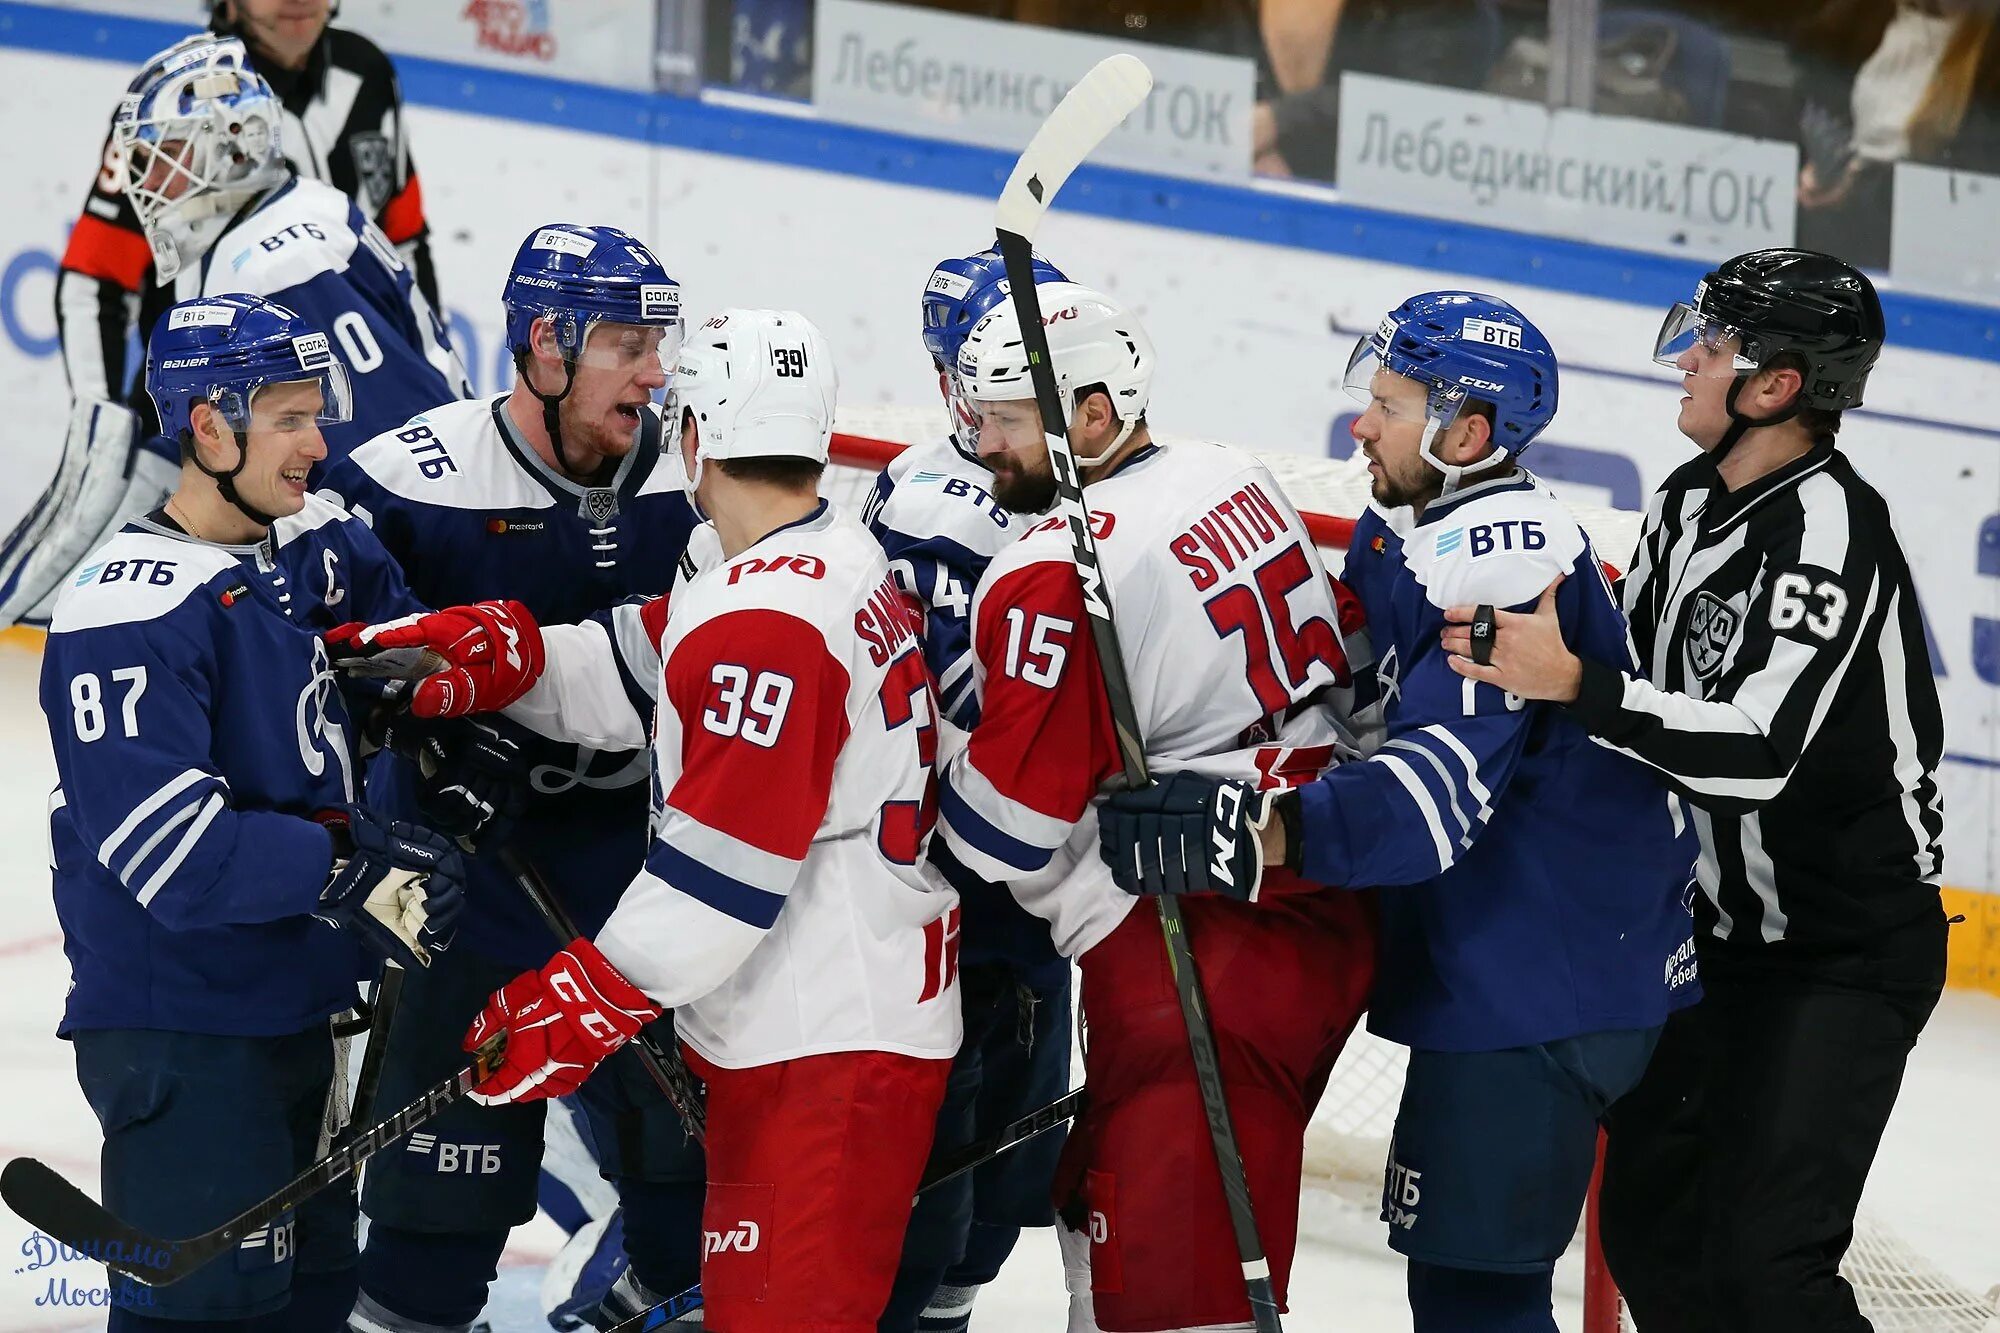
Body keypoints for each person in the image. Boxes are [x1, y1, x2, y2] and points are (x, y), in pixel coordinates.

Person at [336, 307, 964, 1333]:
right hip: (835, 1019)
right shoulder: (822, 558)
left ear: (698, 434)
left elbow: (721, 875)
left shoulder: (765, 618)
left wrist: (581, 999)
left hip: (822, 1049)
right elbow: (652, 662)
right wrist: (520, 658)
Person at [1099, 292, 1699, 1333]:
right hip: (1555, 957)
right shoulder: (1421, 522)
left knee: (1474, 1300)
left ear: (1465, 433)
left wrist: (1253, 830)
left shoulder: (1495, 567)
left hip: (1542, 985)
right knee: (1468, 1288)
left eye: (1386, 403)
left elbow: (1433, 798)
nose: (1359, 425)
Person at [1441, 250, 1948, 1332]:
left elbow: (1758, 750)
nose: (1684, 360)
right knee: (1651, 1233)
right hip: (1709, 937)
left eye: (1709, 345)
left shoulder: (1828, 534)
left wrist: (1574, 682)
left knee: (1766, 1268)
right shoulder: (1685, 502)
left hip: (1839, 952)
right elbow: (1639, 687)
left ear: (1773, 386)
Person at [933, 282, 1378, 1332]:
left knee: (1172, 1296)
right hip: (1309, 903)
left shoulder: (1056, 568)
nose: (977, 443)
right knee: (1113, 1213)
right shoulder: (1228, 477)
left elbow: (1000, 829)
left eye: (1001, 418)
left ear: (1092, 413)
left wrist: (917, 747)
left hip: (1196, 955)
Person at [38, 293, 467, 1333]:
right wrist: (348, 862)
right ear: (209, 426)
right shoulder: (123, 608)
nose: (320, 444)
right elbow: (172, 853)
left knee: (313, 1304)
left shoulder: (296, 547)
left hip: (294, 1016)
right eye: (288, 418)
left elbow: (389, 644)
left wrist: (415, 717)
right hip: (188, 1032)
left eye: (315, 412)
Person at [315, 222, 705, 1333]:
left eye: (658, 342)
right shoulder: (407, 478)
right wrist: (407, 742)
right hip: (464, 884)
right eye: (625, 342)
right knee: (429, 1230)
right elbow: (331, 666)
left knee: (685, 1205)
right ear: (545, 342)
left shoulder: (695, 469)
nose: (653, 370)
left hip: (642, 869)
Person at [3, 34, 468, 627]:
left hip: (420, 557)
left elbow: (377, 443)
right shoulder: (283, 214)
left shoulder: (276, 262)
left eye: (165, 151)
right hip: (418, 531)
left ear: (232, 147)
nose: (146, 178)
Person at [865, 247, 1075, 1333]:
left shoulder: (1051, 492)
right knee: (921, 1219)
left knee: (989, 1218)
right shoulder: (941, 503)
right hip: (953, 908)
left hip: (1028, 909)